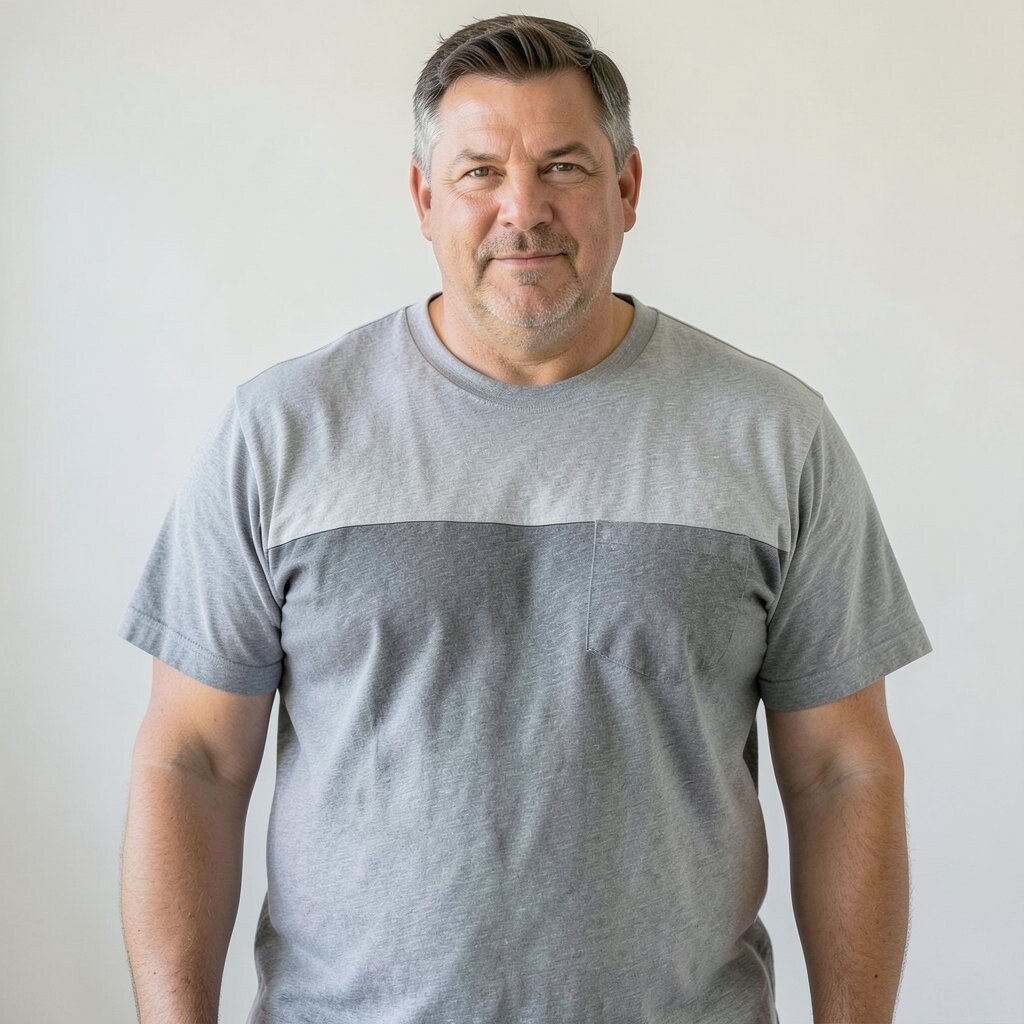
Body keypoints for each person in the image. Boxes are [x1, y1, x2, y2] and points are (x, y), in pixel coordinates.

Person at [118, 14, 932, 1024]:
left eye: (563, 167)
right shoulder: (281, 434)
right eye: (479, 172)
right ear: (423, 198)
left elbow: (842, 770)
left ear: (627, 187)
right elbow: (192, 761)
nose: (523, 209)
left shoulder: (774, 436)